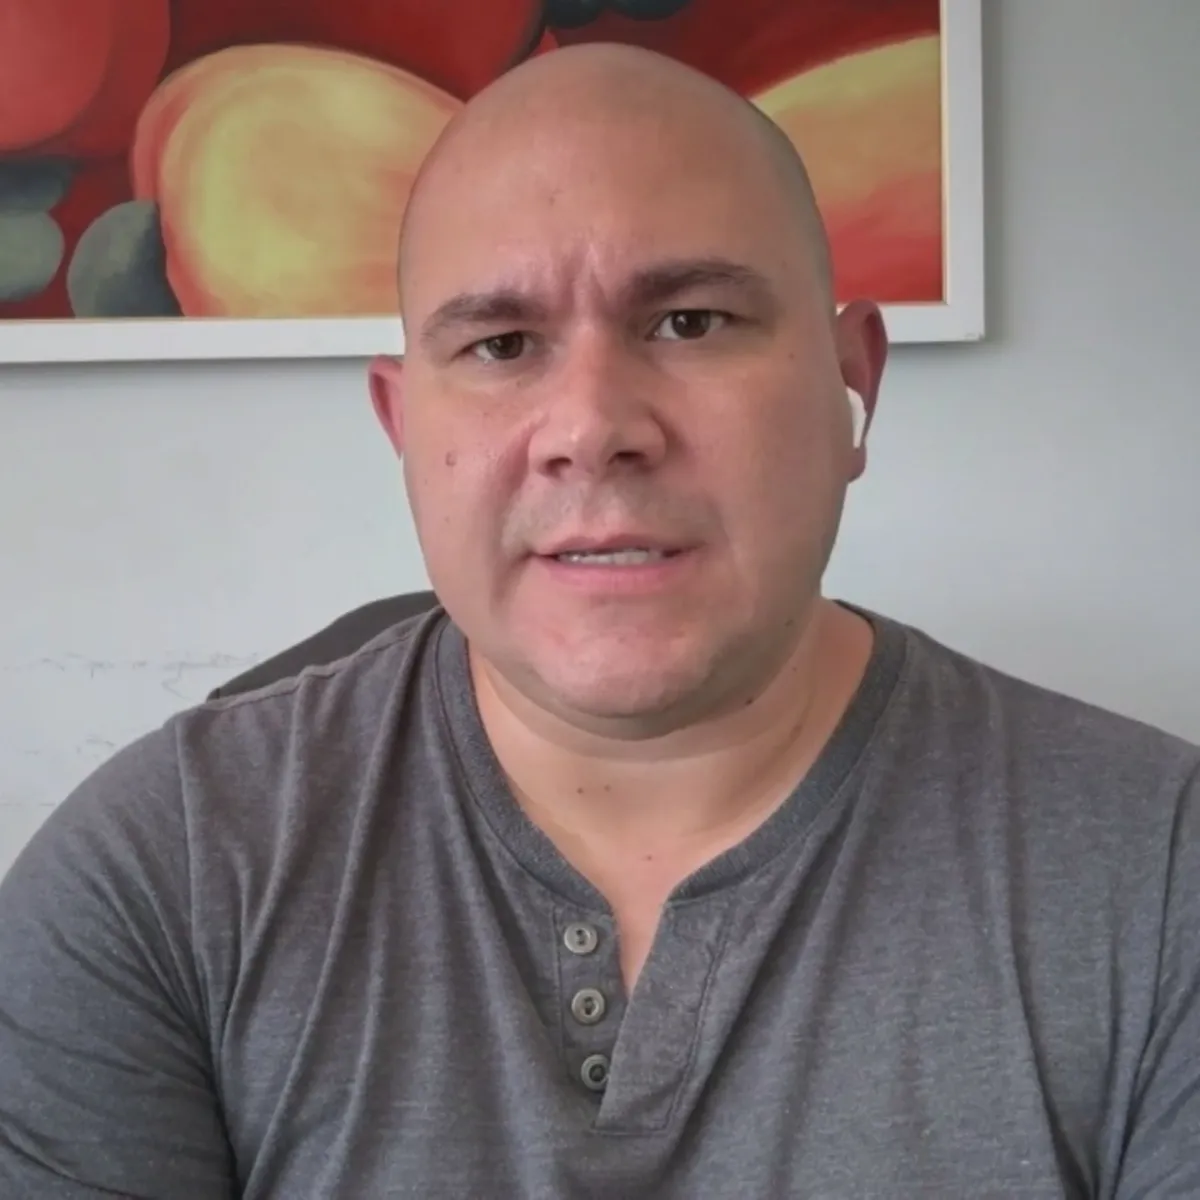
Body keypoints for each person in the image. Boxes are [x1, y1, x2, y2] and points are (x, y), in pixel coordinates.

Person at [1, 42, 1197, 1200]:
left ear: (853, 386)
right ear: (403, 427)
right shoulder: (161, 874)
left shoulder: (1158, 878)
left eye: (690, 322)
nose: (592, 427)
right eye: (501, 344)